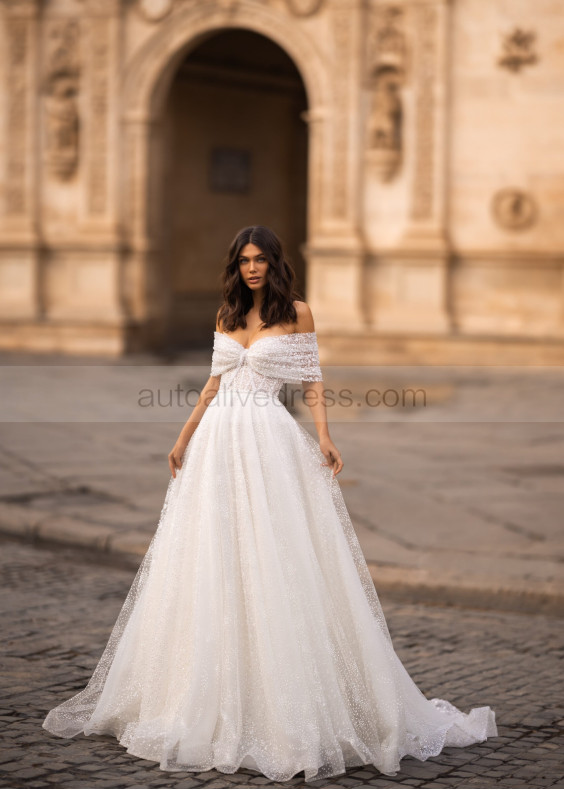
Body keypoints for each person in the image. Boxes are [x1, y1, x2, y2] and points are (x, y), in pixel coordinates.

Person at [42, 225, 497, 782]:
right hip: (216, 445)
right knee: (211, 556)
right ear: (235, 267)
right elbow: (213, 384)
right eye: (243, 260)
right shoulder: (226, 314)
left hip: (268, 442)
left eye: (259, 259)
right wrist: (183, 437)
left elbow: (311, 381)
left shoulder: (297, 313)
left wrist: (325, 435)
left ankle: (284, 701)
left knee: (274, 557)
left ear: (275, 263)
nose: (252, 268)